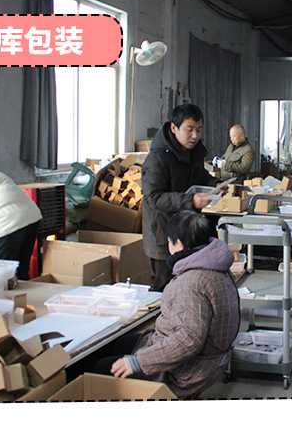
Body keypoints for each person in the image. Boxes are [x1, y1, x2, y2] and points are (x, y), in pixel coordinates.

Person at [92, 210, 240, 399]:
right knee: (120, 343)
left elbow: (189, 340)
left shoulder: (191, 282)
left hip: (190, 369)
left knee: (100, 368)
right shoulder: (214, 264)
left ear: (180, 244)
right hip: (207, 354)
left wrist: (140, 362)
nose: (168, 246)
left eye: (169, 241)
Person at [141, 103, 223, 291]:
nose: (195, 135)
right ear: (174, 128)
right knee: (165, 287)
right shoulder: (158, 158)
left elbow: (199, 176)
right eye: (189, 129)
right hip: (164, 234)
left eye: (199, 130)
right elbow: (153, 198)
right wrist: (191, 201)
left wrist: (215, 184)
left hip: (186, 230)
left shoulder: (193, 152)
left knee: (186, 285)